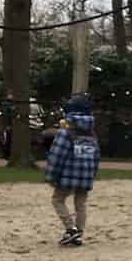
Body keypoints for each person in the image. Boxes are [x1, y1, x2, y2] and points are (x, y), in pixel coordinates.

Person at [44, 93, 101, 246]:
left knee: (57, 200)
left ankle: (71, 229)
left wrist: (51, 175)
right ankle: (79, 233)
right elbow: (96, 157)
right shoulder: (91, 134)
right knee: (81, 204)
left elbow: (57, 155)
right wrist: (92, 175)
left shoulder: (65, 132)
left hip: (68, 176)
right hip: (86, 176)